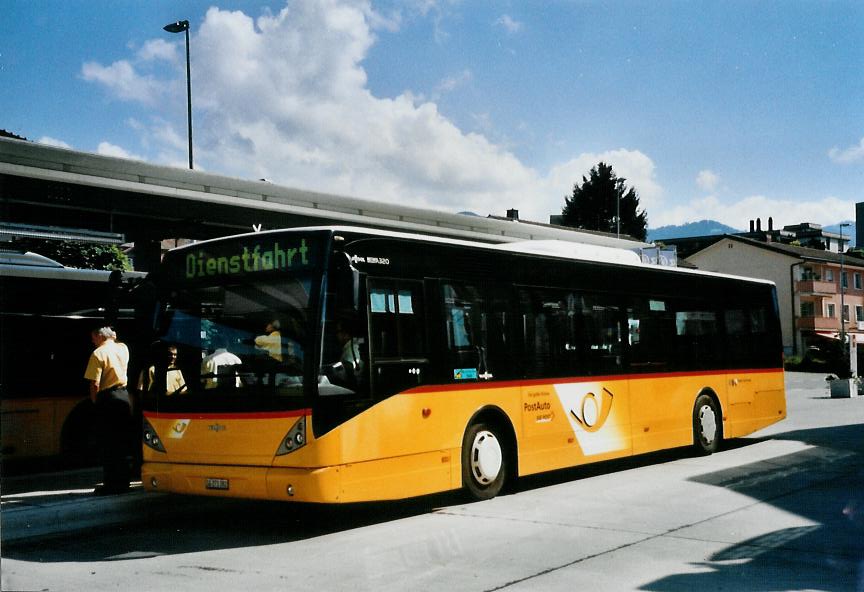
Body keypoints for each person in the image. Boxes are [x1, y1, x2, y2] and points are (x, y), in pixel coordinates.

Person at [84, 326, 133, 495]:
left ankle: (111, 484)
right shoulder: (123, 348)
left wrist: (96, 402)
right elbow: (116, 340)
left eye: (93, 337)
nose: (92, 341)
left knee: (108, 444)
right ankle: (124, 482)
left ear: (99, 336)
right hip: (124, 396)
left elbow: (95, 383)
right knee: (121, 442)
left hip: (108, 398)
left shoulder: (98, 354)